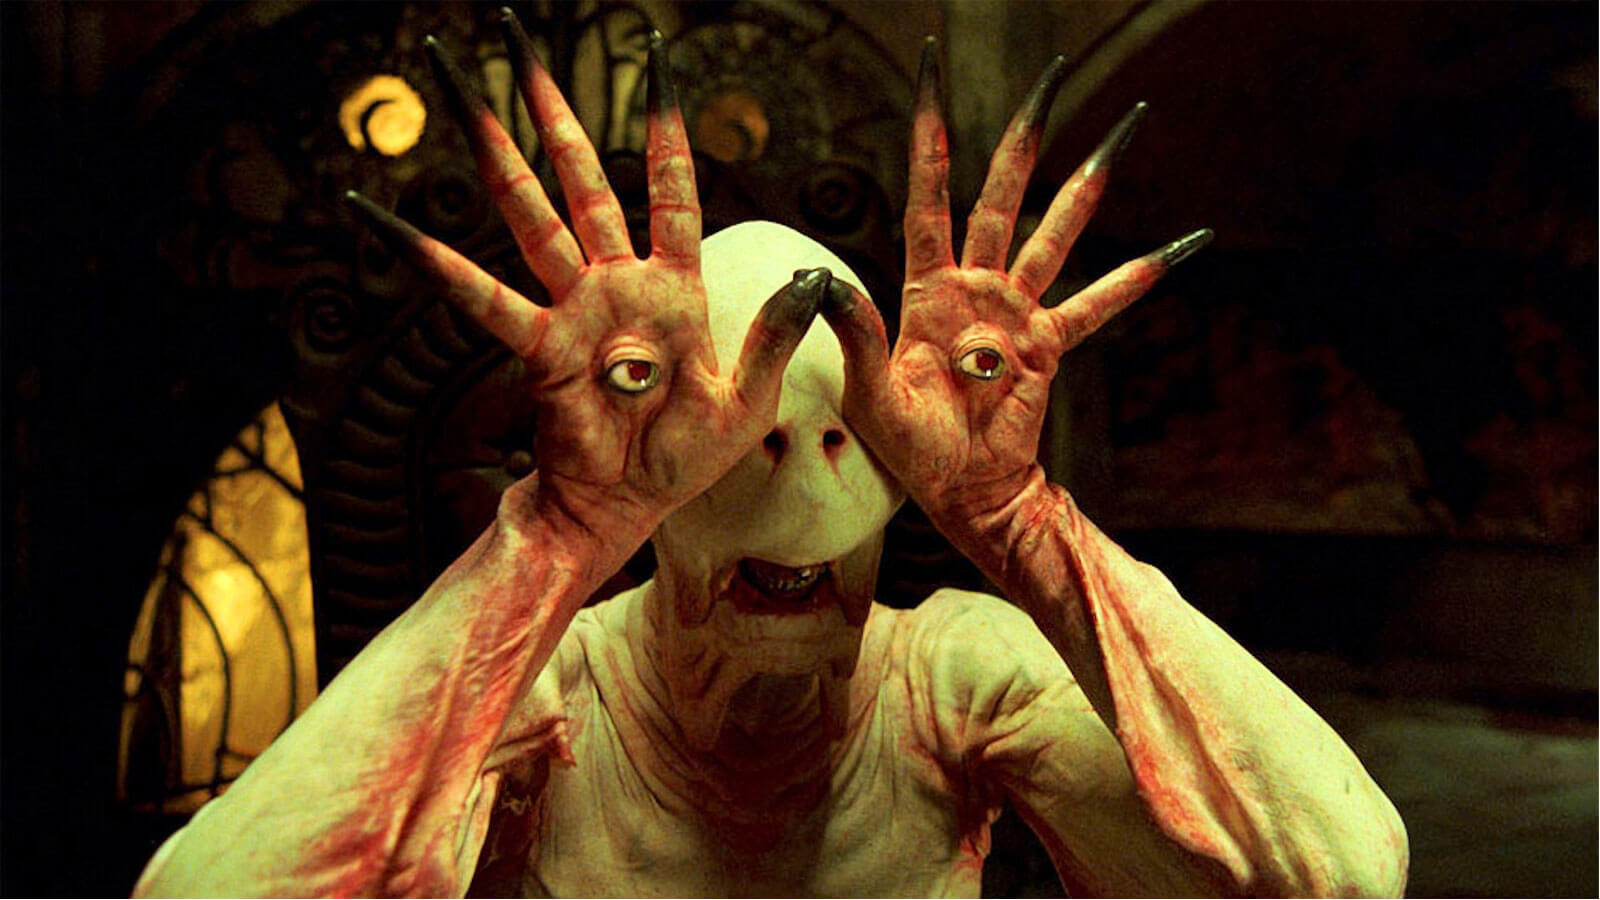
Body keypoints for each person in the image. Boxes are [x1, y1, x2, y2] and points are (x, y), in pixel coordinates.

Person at [134, 16, 1407, 898]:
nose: (796, 481)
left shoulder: (950, 677)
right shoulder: (558, 688)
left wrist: (1017, 514)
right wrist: (559, 536)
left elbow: (1338, 876)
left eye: (841, 431)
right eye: (744, 438)